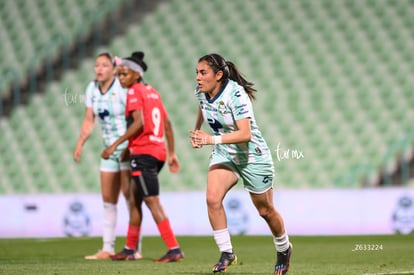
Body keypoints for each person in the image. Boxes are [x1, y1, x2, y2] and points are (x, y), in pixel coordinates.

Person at [189, 53, 292, 274]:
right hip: (225, 153)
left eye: (202, 72)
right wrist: (198, 129)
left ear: (218, 75)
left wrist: (209, 139)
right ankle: (227, 252)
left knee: (265, 210)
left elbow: (244, 134)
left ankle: (283, 248)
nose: (197, 77)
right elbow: (202, 106)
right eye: (196, 72)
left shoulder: (236, 94)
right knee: (212, 198)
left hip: (252, 156)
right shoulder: (201, 91)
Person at [101, 51, 184, 262]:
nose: (121, 78)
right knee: (135, 199)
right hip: (158, 152)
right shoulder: (153, 92)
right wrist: (172, 153)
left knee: (151, 201)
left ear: (136, 74)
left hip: (144, 153)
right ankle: (130, 249)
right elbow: (166, 124)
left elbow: (138, 123)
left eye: (124, 74)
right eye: (119, 74)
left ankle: (174, 248)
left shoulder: (133, 92)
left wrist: (115, 146)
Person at [73, 52, 142, 260]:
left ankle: (134, 247)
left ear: (114, 69)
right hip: (107, 150)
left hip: (125, 148)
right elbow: (88, 119)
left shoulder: (122, 88)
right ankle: (107, 247)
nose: (99, 69)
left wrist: (128, 146)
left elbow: (135, 118)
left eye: (104, 65)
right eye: (96, 65)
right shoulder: (92, 88)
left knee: (129, 197)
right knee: (108, 199)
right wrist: (80, 143)